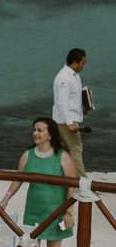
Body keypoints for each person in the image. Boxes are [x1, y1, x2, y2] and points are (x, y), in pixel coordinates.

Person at [0, 118, 77, 247]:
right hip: (33, 210)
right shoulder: (28, 155)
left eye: (40, 130)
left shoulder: (63, 156)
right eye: (34, 129)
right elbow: (17, 180)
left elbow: (73, 185)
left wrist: (69, 212)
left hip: (57, 210)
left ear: (50, 134)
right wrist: (6, 199)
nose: (36, 133)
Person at [52, 48, 87, 177]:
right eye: (83, 63)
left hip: (68, 119)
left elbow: (73, 99)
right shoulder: (64, 78)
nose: (84, 66)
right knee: (76, 149)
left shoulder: (74, 76)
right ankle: (83, 183)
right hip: (65, 121)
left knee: (64, 150)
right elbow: (62, 102)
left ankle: (66, 179)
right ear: (75, 62)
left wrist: (83, 111)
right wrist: (69, 122)